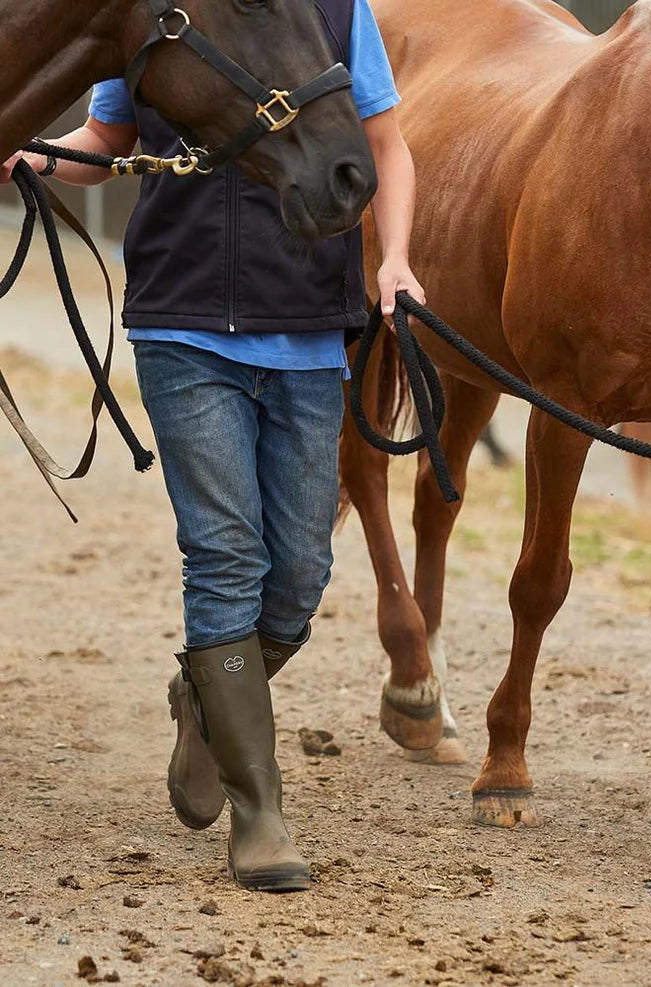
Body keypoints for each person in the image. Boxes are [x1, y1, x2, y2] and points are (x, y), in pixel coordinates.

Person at [2, 0, 424, 893]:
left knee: (300, 571)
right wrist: (33, 155)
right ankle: (259, 809)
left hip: (310, 325)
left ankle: (206, 697)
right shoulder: (157, 15)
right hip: (184, 321)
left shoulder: (338, 9)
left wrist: (395, 259)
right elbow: (110, 135)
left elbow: (386, 142)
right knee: (226, 553)